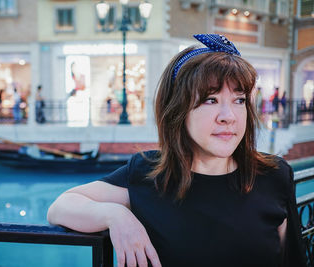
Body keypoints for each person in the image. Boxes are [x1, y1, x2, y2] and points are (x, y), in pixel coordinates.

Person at [47, 34, 307, 266]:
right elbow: (60, 207)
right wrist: (115, 216)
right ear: (178, 111)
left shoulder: (274, 175)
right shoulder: (149, 174)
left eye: (239, 100)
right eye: (210, 100)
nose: (229, 116)